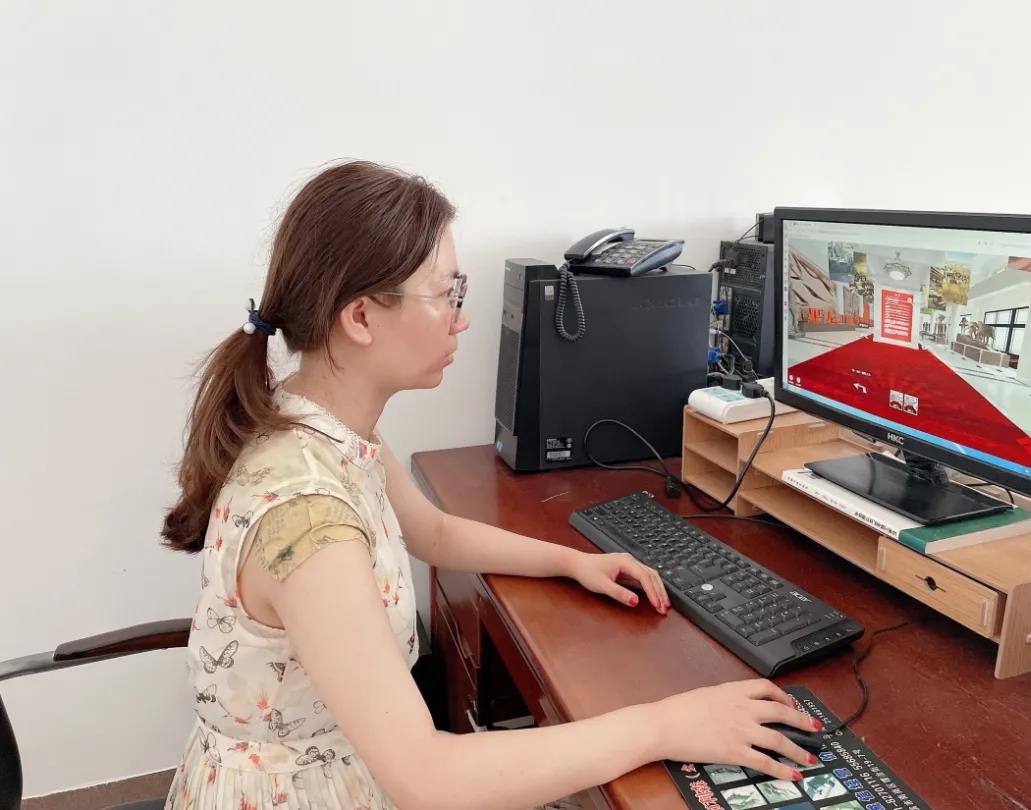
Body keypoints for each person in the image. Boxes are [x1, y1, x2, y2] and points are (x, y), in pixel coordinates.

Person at [161, 160, 821, 810]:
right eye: (445, 294)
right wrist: (665, 724)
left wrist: (572, 561)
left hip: (348, 763)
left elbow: (432, 531)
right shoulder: (310, 522)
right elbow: (429, 780)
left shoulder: (323, 425)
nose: (462, 318)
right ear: (360, 317)